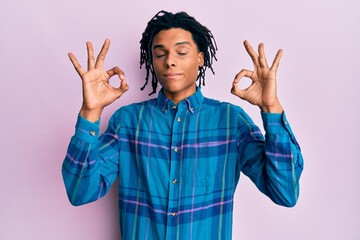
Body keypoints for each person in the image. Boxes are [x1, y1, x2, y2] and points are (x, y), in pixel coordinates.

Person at [62, 10, 303, 239]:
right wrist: (90, 112)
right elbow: (80, 191)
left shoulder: (230, 121)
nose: (169, 62)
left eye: (181, 52)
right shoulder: (127, 122)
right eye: (160, 54)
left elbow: (284, 192)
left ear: (200, 58)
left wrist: (271, 108)